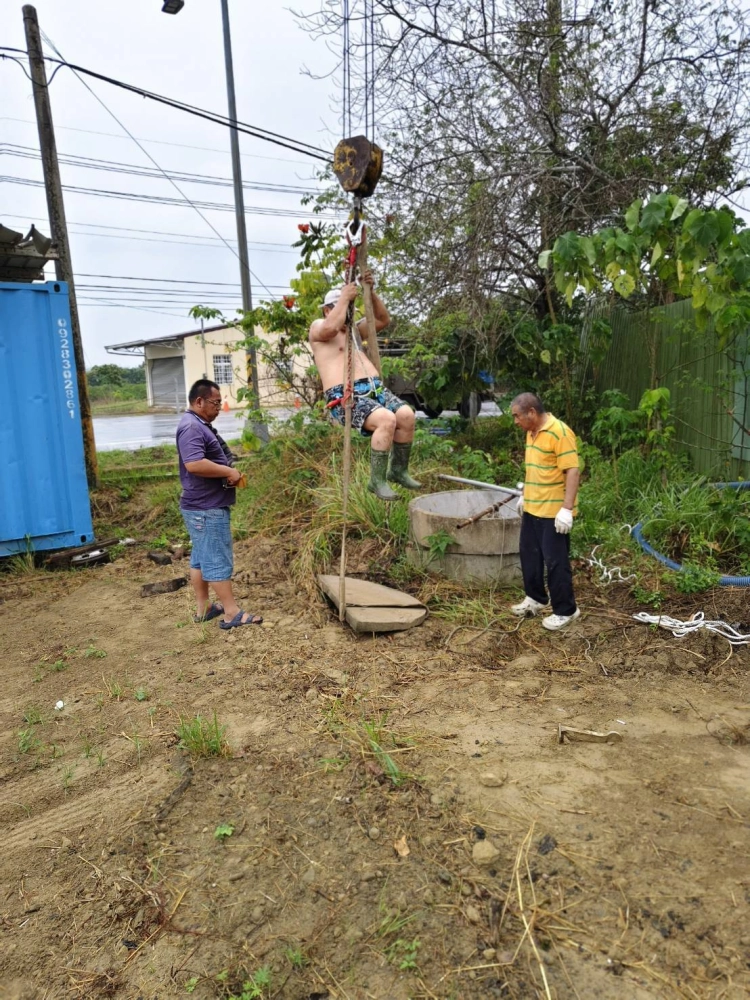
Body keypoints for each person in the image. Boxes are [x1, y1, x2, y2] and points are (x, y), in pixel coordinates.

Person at [308, 270, 421, 501]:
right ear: (328, 309)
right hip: (346, 396)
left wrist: (370, 291)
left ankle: (398, 470)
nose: (349, 312)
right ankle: (376, 481)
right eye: (344, 307)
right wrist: (344, 297)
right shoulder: (319, 328)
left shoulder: (354, 331)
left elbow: (381, 320)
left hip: (375, 389)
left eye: (351, 308)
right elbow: (330, 327)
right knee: (386, 420)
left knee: (407, 415)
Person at [176, 379, 263, 630]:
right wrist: (228, 471)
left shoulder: (198, 424)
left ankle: (204, 609)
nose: (219, 407)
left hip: (200, 504)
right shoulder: (192, 427)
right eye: (215, 402)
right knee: (215, 558)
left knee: (201, 558)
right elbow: (194, 464)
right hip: (206, 506)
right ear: (199, 401)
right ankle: (231, 613)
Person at [510, 392, 580, 631]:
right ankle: (536, 598)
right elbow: (535, 469)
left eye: (517, 416)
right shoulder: (531, 433)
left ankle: (566, 610)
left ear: (532, 412)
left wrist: (566, 509)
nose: (516, 421)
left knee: (556, 561)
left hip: (553, 511)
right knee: (529, 555)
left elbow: (572, 471)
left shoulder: (560, 432)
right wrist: (525, 495)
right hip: (533, 507)